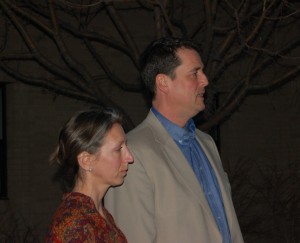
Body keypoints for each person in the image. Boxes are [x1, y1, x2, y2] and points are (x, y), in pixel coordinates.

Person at [105, 37, 244, 243]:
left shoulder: (207, 143)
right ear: (163, 83)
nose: (205, 80)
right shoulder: (132, 153)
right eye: (194, 73)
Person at [46, 108, 133, 243]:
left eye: (126, 147)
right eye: (118, 149)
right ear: (86, 161)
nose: (130, 157)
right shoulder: (74, 225)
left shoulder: (100, 215)